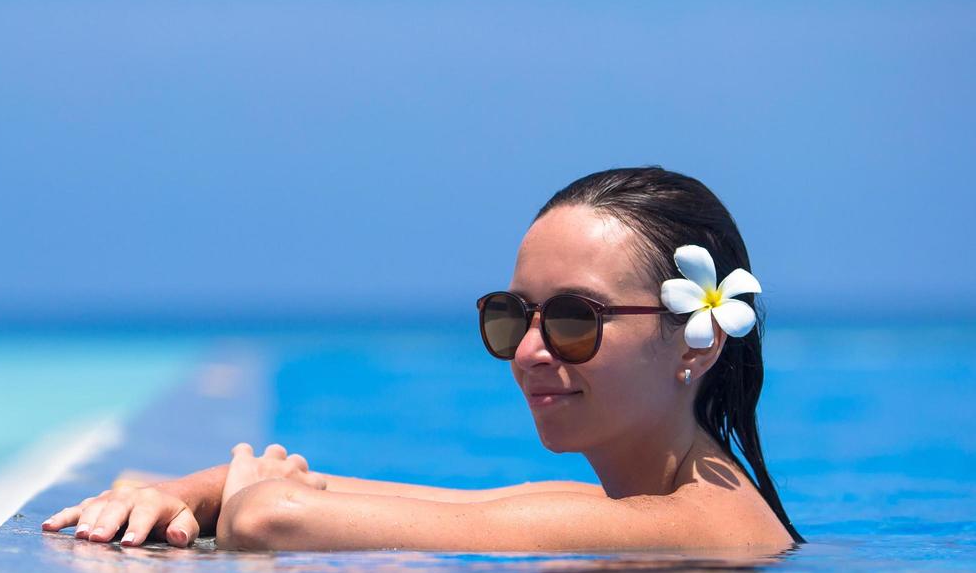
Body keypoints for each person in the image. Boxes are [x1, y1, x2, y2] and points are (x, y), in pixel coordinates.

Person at [41, 166, 804, 553]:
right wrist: (192, 488)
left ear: (697, 342)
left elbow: (276, 517)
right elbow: (456, 507)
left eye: (577, 319)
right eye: (512, 317)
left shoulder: (697, 528)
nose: (532, 350)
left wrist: (248, 495)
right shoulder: (638, 511)